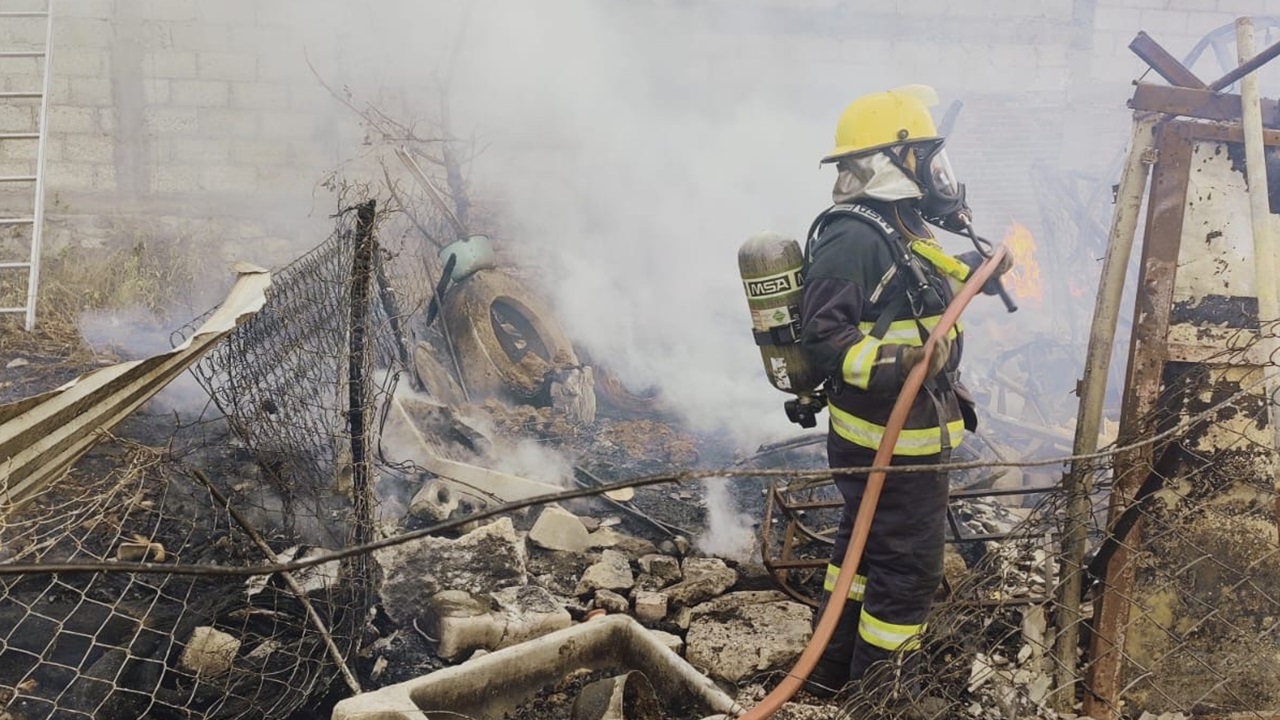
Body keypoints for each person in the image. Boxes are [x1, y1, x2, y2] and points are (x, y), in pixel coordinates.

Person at [798, 85, 1011, 697]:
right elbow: (823, 336)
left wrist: (977, 276)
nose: (934, 172)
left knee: (863, 558)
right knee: (908, 569)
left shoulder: (897, 223)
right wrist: (904, 360)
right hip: (888, 442)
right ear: (890, 161)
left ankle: (827, 677)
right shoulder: (855, 235)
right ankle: (881, 698)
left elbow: (916, 289)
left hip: (909, 434)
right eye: (922, 156)